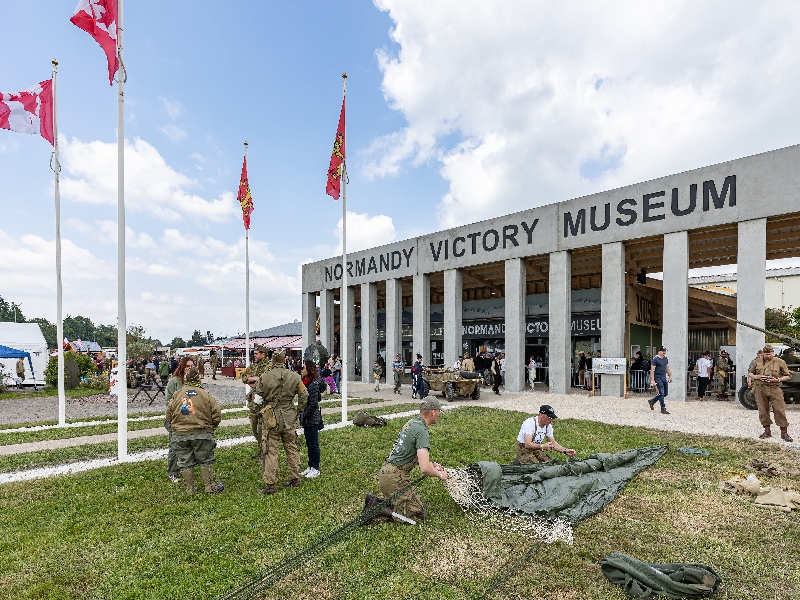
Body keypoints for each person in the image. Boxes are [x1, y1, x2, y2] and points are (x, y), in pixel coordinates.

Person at [373, 397, 448, 523]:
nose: (438, 414)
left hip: (387, 474)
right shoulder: (422, 431)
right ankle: (378, 509)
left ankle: (381, 502)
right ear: (433, 412)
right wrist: (440, 475)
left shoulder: (412, 423)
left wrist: (432, 465)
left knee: (414, 508)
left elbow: (409, 454)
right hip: (395, 479)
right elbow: (424, 469)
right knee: (417, 514)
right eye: (438, 411)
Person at [254, 350, 309, 494]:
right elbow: (304, 396)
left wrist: (261, 412)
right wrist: (297, 412)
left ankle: (270, 484)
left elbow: (257, 400)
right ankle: (295, 478)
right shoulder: (295, 377)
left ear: (272, 361)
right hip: (289, 418)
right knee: (292, 448)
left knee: (271, 451)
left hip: (271, 419)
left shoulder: (264, 377)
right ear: (284, 360)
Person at [166, 367, 224, 495]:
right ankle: (209, 487)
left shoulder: (177, 394)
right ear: (199, 378)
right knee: (205, 459)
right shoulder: (206, 395)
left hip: (180, 434)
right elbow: (216, 414)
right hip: (202, 432)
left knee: (185, 461)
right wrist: (211, 427)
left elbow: (169, 413)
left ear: (186, 379)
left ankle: (190, 490)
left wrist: (175, 427)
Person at [748, 344, 793, 441]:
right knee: (763, 410)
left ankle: (784, 433)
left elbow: (788, 376)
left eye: (769, 354)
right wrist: (756, 377)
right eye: (766, 354)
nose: (768, 356)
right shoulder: (757, 362)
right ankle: (767, 431)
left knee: (779, 410)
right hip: (760, 388)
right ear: (763, 353)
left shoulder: (780, 362)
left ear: (773, 353)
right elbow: (750, 373)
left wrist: (777, 380)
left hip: (774, 388)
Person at [164, 356, 195, 483]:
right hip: (176, 419)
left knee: (189, 445)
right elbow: (169, 402)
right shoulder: (174, 382)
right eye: (187, 366)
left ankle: (186, 469)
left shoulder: (194, 382)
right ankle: (172, 471)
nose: (189, 369)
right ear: (182, 367)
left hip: (191, 419)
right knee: (175, 445)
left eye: (192, 366)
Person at [241, 345, 271, 459]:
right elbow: (244, 377)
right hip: (253, 403)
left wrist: (255, 381)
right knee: (254, 429)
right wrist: (255, 379)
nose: (254, 355)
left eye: (256, 353)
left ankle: (265, 453)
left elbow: (267, 383)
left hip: (264, 403)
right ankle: (260, 449)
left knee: (262, 430)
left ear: (263, 355)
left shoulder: (269, 367)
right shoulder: (252, 366)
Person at [300, 360, 325, 478]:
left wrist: (305, 415)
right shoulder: (306, 382)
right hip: (307, 418)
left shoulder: (313, 384)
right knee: (309, 443)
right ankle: (310, 466)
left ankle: (315, 468)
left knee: (314, 444)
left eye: (303, 368)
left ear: (309, 369)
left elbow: (313, 403)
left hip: (312, 419)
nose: (301, 370)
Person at [648, 346, 671, 414]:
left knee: (665, 393)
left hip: (664, 377)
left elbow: (667, 367)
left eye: (665, 351)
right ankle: (663, 408)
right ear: (659, 351)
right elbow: (652, 370)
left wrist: (670, 375)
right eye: (663, 351)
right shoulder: (655, 359)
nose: (664, 352)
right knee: (661, 393)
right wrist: (652, 380)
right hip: (658, 378)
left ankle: (652, 401)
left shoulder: (665, 359)